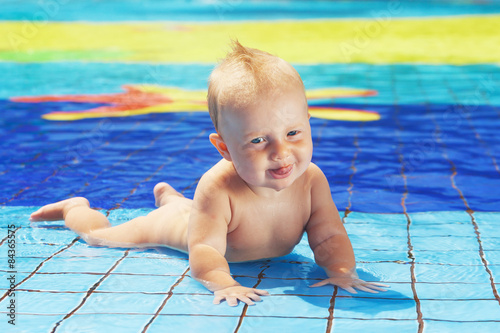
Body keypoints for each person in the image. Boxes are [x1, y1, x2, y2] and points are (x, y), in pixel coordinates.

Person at [30, 40, 387, 306]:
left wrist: (341, 271)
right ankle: (74, 208)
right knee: (102, 237)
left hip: (198, 215)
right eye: (259, 140)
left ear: (309, 124)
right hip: (175, 229)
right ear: (225, 149)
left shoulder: (312, 180)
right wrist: (222, 282)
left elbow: (328, 237)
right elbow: (203, 247)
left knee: (189, 209)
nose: (281, 153)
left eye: (294, 133)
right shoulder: (218, 188)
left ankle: (169, 198)